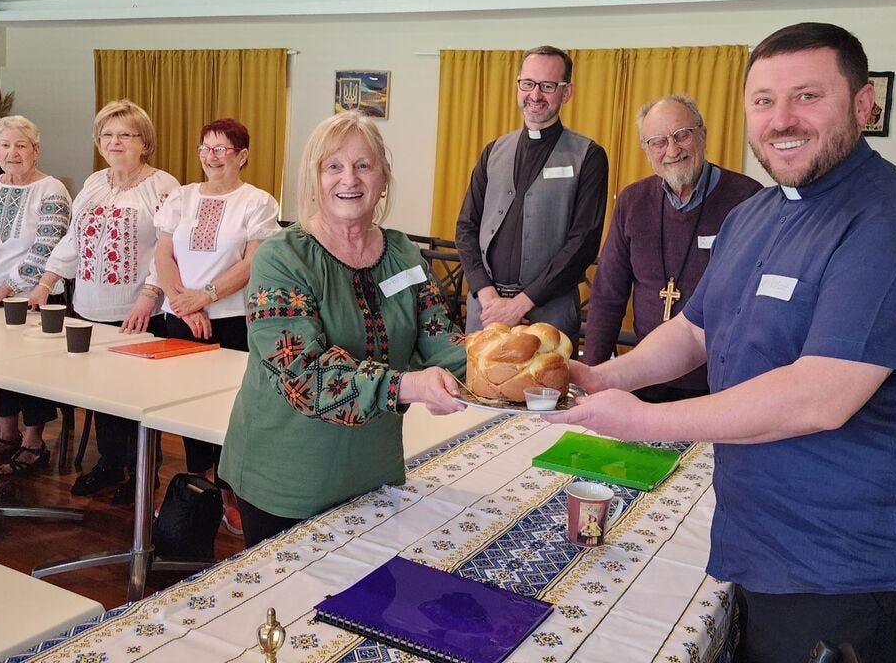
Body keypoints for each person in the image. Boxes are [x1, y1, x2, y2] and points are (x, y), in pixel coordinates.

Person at [547, 23, 896, 663]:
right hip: (762, 544)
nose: (781, 119)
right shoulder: (754, 215)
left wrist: (646, 420)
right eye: (764, 100)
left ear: (863, 105)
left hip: (855, 569)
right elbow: (695, 330)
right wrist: (607, 377)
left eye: (808, 96)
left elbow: (819, 397)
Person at [219, 111, 467, 548]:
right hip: (290, 480)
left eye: (363, 165)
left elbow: (440, 338)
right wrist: (409, 386)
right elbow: (303, 376)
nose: (348, 178)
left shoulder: (403, 253)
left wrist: (515, 365)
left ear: (383, 178)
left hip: (374, 474)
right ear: (315, 179)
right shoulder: (282, 259)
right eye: (333, 166)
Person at [28, 99, 179, 502]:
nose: (115, 142)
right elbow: (73, 241)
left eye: (125, 135)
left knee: (136, 399)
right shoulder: (95, 183)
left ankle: (143, 473)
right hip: (90, 307)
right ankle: (109, 464)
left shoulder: (163, 187)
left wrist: (149, 297)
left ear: (144, 143)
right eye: (107, 135)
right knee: (103, 396)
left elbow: (170, 250)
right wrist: (46, 282)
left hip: (139, 311)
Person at [148, 117, 280, 532]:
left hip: (230, 320)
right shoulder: (180, 198)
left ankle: (231, 491)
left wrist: (206, 296)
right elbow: (163, 255)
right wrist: (183, 304)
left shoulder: (257, 201)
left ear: (242, 156)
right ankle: (199, 486)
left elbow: (253, 262)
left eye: (222, 149)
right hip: (180, 316)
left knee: (229, 408)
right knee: (186, 403)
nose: (212, 156)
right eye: (206, 147)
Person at [583, 95, 761, 402]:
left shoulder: (748, 200)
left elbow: (756, 307)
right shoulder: (632, 201)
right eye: (659, 142)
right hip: (644, 378)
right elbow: (608, 295)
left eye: (682, 135)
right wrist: (593, 377)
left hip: (718, 384)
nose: (672, 150)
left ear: (702, 134)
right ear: (647, 150)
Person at [455, 45, 607, 348]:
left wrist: (519, 305)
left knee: (542, 396)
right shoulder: (493, 151)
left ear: (566, 92)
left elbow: (583, 244)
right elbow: (465, 229)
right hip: (486, 312)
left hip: (548, 315)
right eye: (528, 83)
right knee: (478, 393)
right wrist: (488, 297)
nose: (535, 95)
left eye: (548, 86)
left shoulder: (588, 156)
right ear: (518, 85)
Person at [0, 115, 72, 474]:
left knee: (30, 371)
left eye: (21, 145)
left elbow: (48, 247)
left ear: (36, 151)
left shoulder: (51, 189)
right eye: (5, 145)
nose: (12, 152)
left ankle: (34, 444)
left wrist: (5, 290)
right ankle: (7, 436)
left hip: (32, 297)